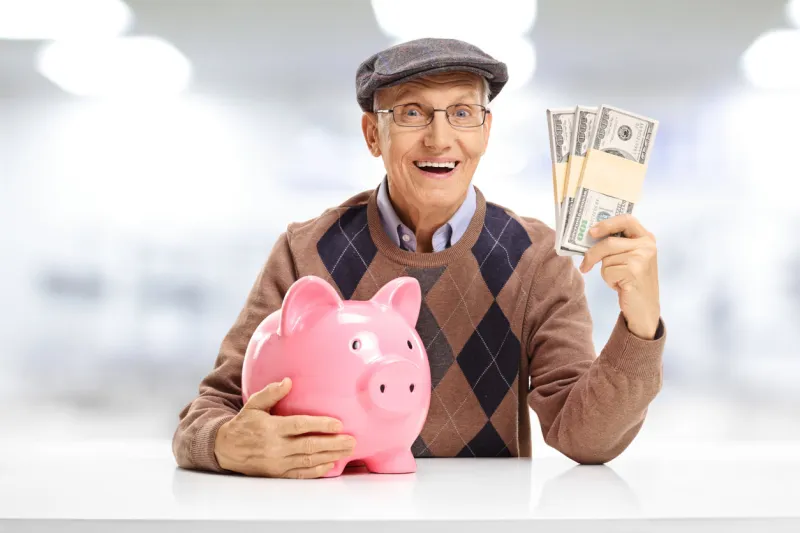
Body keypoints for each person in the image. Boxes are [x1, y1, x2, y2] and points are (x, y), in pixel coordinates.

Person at [172, 37, 667, 479]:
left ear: (485, 131)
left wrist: (640, 325)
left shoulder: (537, 259)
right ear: (372, 135)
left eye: (461, 112)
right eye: (411, 113)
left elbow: (584, 438)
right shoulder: (305, 253)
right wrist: (225, 443)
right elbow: (210, 410)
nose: (439, 138)